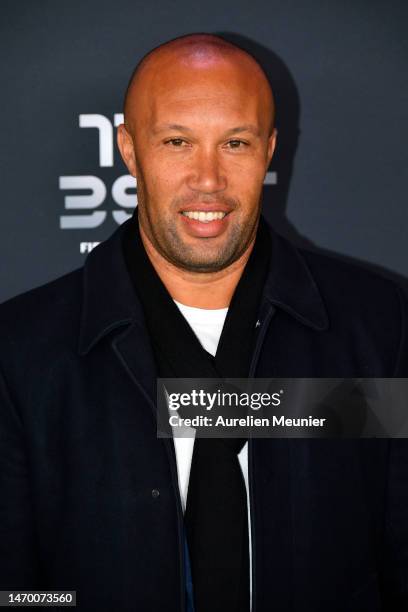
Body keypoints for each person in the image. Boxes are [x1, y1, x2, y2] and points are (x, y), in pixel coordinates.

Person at [0, 32, 407, 612]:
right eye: (177, 142)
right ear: (130, 149)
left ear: (269, 150)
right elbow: (18, 591)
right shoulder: (21, 354)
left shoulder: (378, 329)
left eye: (234, 143)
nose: (208, 179)